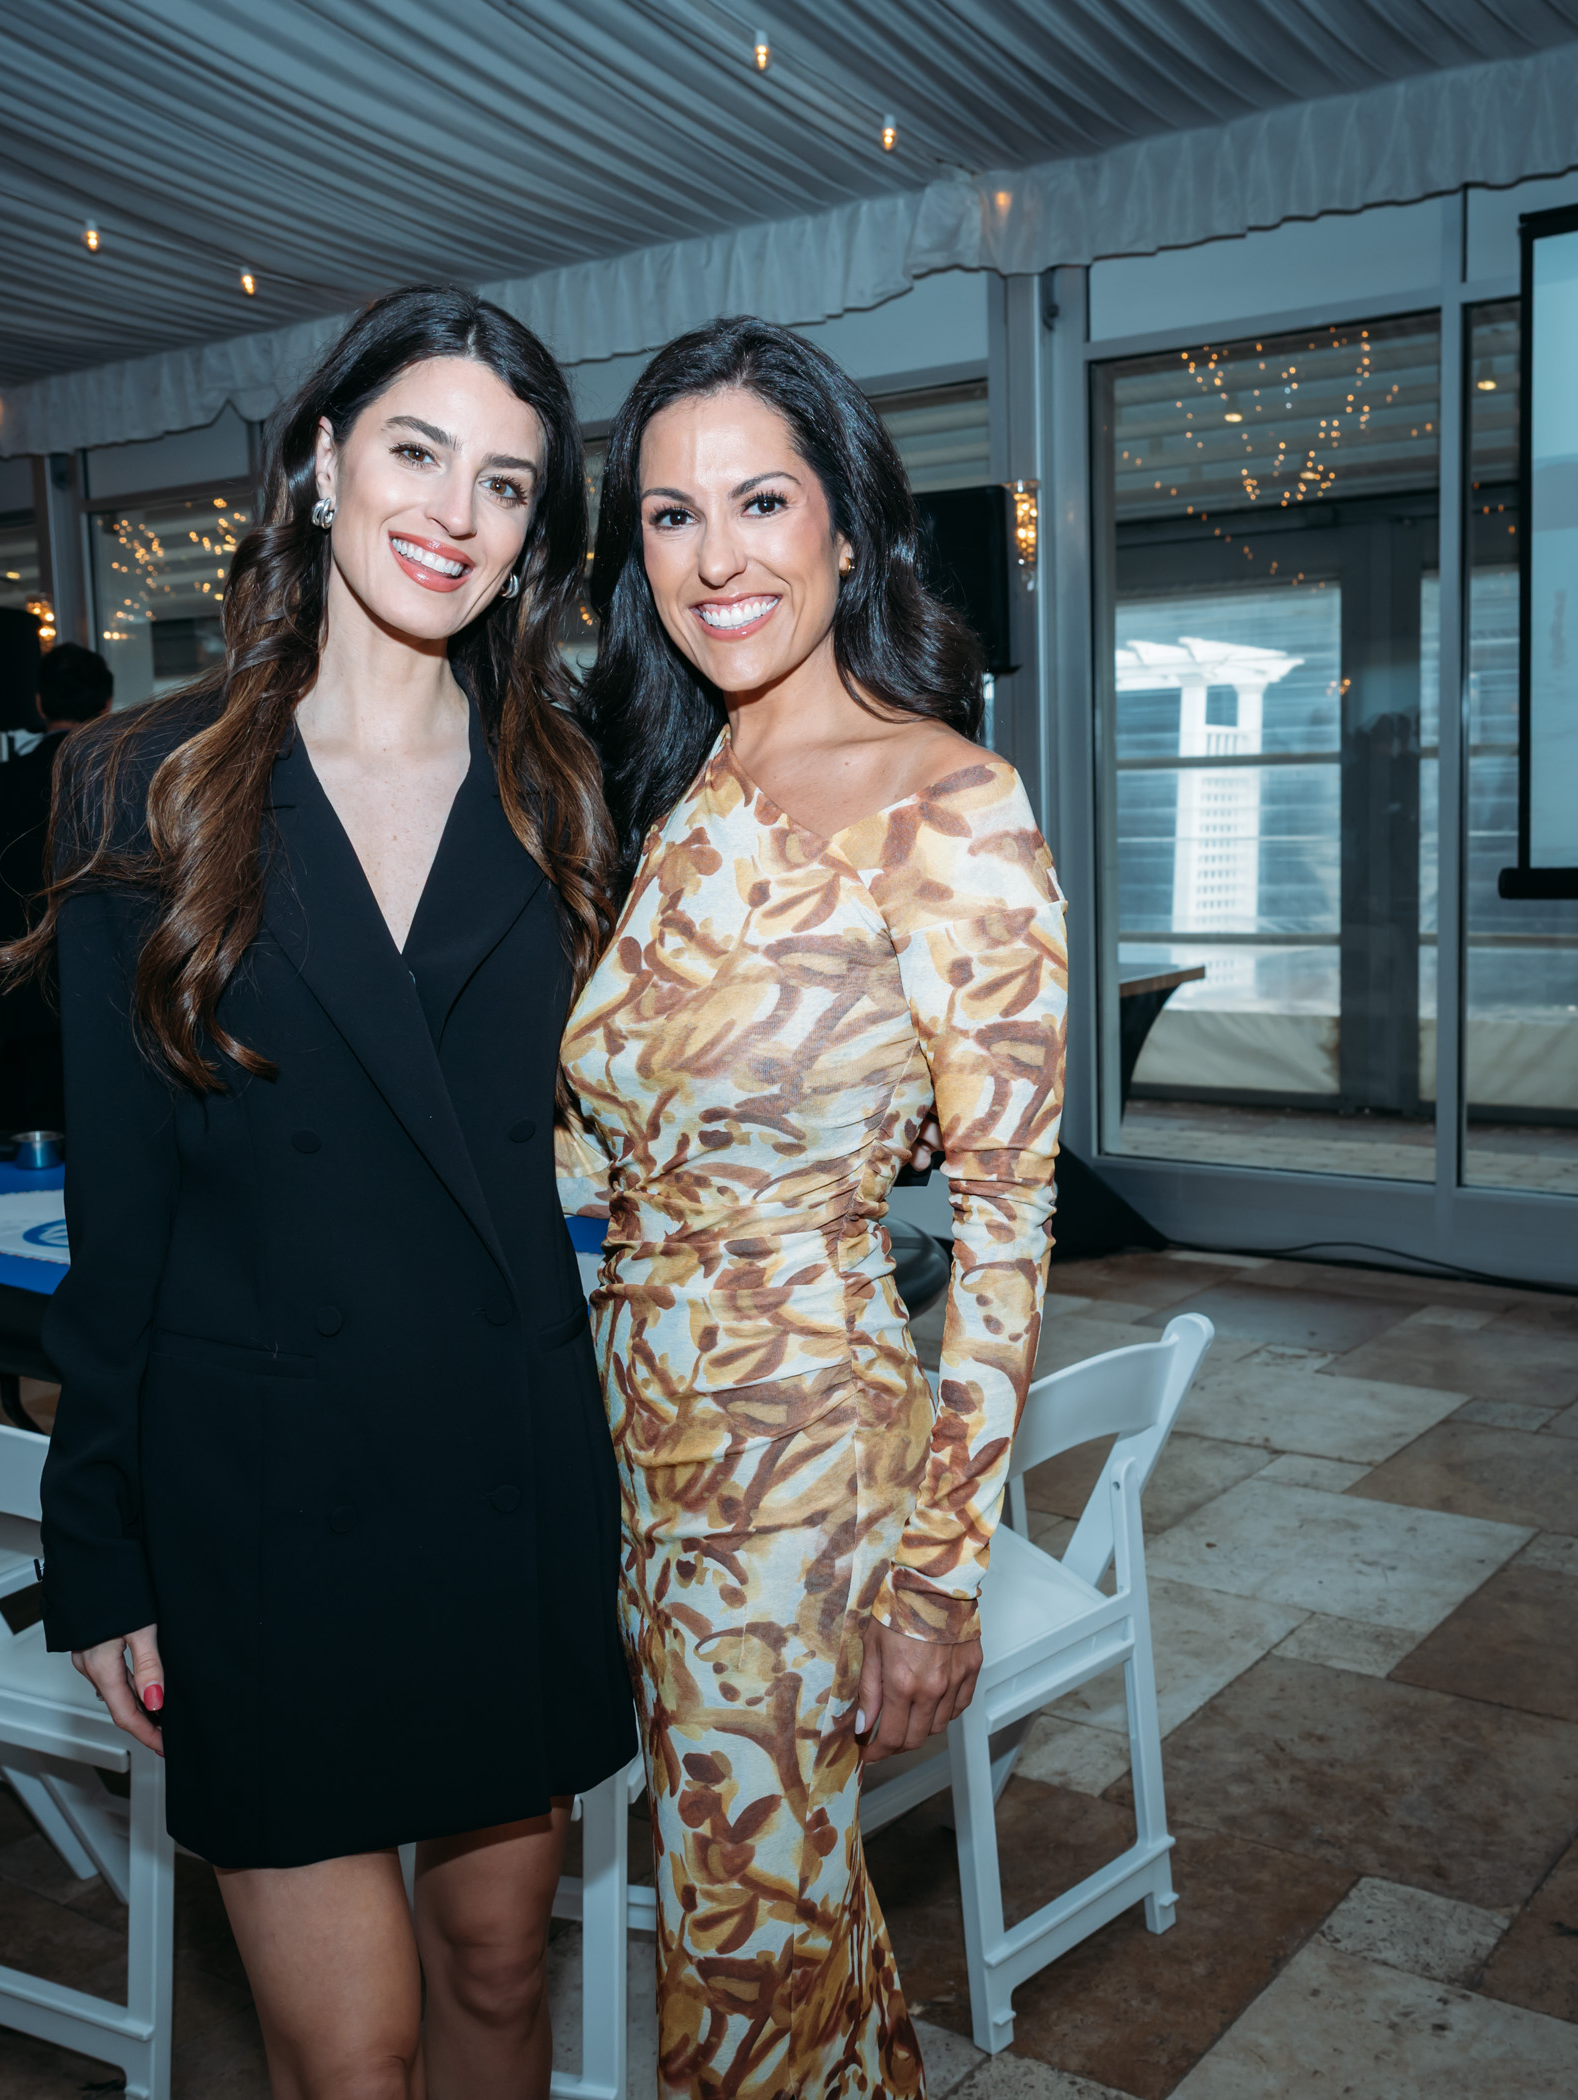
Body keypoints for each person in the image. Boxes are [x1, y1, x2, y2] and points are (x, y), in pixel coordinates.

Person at [11, 286, 634, 2098]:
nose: (454, 511)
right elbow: (114, 1209)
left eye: (508, 484)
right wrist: (99, 1543)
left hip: (503, 1464)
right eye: (419, 451)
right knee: (352, 2056)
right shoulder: (142, 777)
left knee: (501, 1972)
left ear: (534, 538)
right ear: (322, 460)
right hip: (261, 1492)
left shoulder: (568, 787)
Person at [563, 319, 1068, 2097]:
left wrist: (939, 1581)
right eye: (671, 516)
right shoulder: (683, 785)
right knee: (781, 1919)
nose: (718, 559)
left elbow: (1006, 1226)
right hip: (646, 1443)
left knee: (742, 1930)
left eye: (762, 502)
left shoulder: (952, 805)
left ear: (847, 527)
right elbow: (623, 1133)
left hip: (801, 1458)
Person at [0, 641, 114, 1132]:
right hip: (114, 978)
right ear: (107, 705)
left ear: (40, 705)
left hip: (22, 972)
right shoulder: (128, 777)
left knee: (38, 1122)